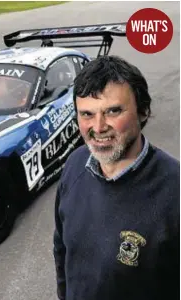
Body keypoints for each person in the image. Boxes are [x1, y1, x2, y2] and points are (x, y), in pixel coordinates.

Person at [53, 55, 179, 300]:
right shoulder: (75, 163)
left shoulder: (175, 191)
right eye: (87, 114)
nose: (98, 128)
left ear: (143, 111)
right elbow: (62, 248)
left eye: (113, 111)